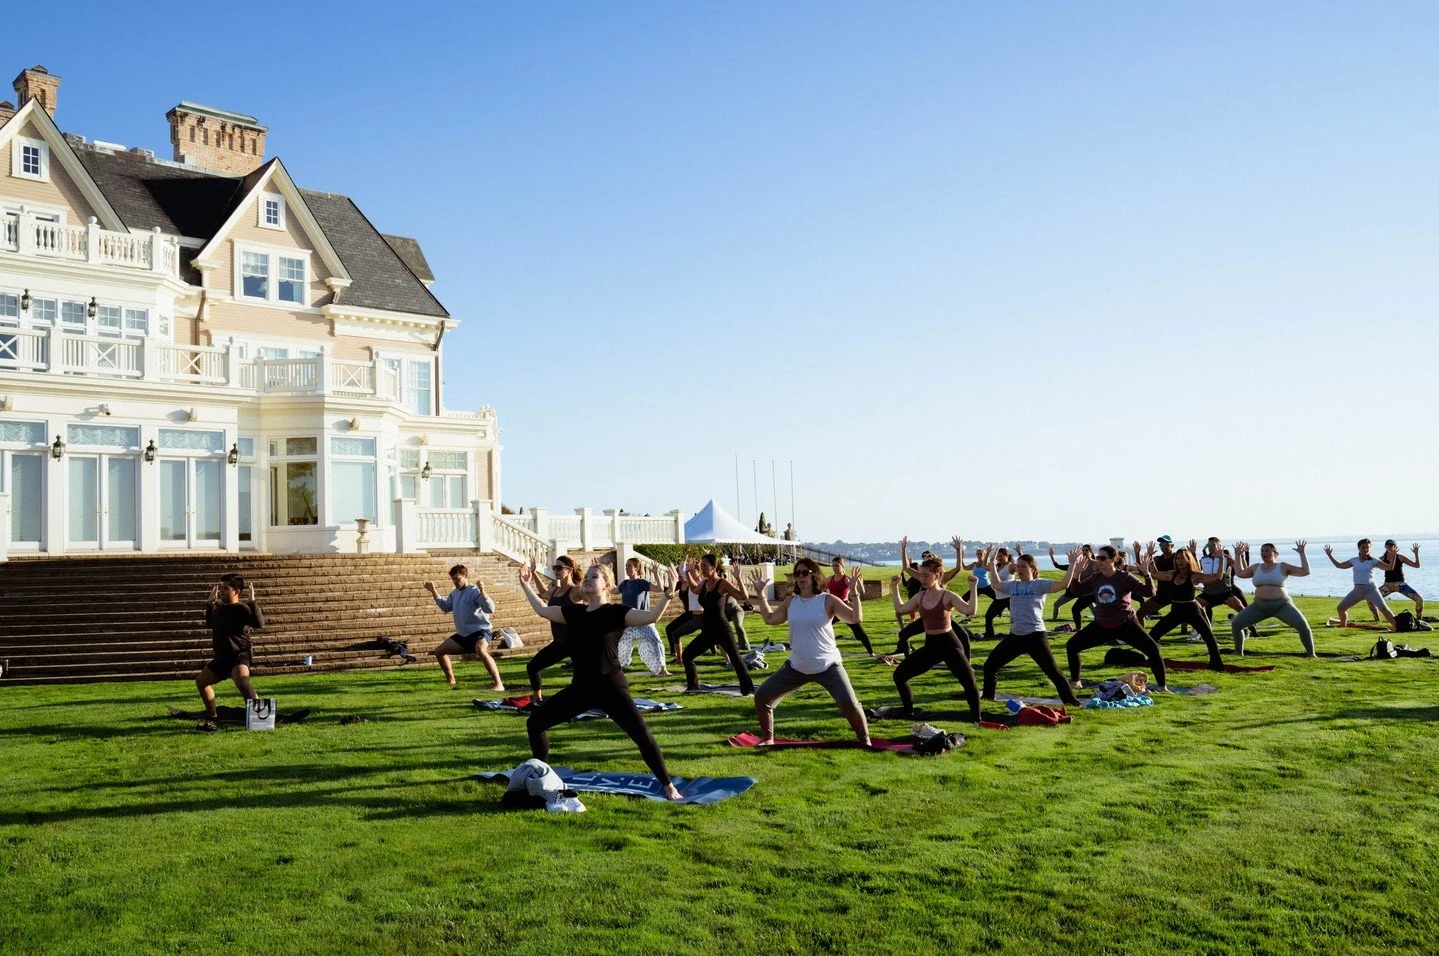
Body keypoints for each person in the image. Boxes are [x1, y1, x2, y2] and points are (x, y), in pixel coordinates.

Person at [517, 562, 683, 801]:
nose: (586, 579)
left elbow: (651, 616)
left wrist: (668, 594)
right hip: (581, 688)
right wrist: (525, 584)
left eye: (593, 577)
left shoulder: (617, 613)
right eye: (586, 576)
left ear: (607, 585)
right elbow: (542, 610)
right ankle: (543, 777)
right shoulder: (574, 612)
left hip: (611, 688)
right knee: (535, 723)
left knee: (642, 735)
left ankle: (669, 787)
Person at [749, 557, 870, 745]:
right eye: (797, 573)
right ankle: (768, 739)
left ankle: (865, 740)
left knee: (849, 703)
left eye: (804, 572)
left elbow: (855, 618)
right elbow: (770, 619)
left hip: (828, 665)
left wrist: (854, 592)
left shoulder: (827, 600)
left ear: (814, 574)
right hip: (797, 666)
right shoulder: (791, 602)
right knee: (763, 696)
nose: (800, 577)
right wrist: (760, 594)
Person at [982, 548, 1083, 705]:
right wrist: (992, 564)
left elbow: (1064, 584)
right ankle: (987, 698)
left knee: (1053, 672)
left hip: (1035, 636)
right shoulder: (1012, 586)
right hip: (1015, 637)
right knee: (990, 666)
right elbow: (995, 584)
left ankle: (1071, 702)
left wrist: (1071, 564)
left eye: (1023, 566)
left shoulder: (1039, 585)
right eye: (1018, 566)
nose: (1019, 569)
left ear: (1032, 568)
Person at [889, 557, 982, 723]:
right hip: (931, 645)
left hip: (949, 644)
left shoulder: (948, 596)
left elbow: (970, 610)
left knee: (969, 682)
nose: (923, 579)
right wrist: (894, 587)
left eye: (926, 575)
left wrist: (973, 588)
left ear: (938, 575)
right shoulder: (920, 597)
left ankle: (977, 718)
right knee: (899, 676)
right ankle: (908, 713)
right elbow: (900, 609)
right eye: (921, 575)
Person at [1064, 544, 1169, 690]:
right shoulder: (1096, 578)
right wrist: (1076, 574)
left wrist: (1147, 574)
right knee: (1072, 645)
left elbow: (1149, 592)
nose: (1099, 561)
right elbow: (1077, 591)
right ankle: (1076, 682)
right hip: (1101, 625)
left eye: (1103, 558)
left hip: (1126, 624)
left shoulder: (1124, 577)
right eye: (1098, 558)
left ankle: (1163, 687)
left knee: (1153, 650)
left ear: (1113, 559)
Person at [680, 553, 756, 696]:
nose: (702, 568)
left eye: (705, 566)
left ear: (714, 567)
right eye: (701, 566)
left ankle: (748, 690)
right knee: (687, 656)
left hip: (722, 629)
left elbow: (743, 596)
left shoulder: (722, 584)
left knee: (736, 660)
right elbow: (694, 589)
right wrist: (688, 573)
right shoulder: (704, 583)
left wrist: (738, 577)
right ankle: (693, 687)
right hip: (708, 630)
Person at [891, 536, 975, 658]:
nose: (926, 560)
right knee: (904, 634)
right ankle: (907, 657)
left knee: (963, 636)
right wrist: (903, 549)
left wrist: (958, 550)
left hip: (943, 619)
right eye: (925, 558)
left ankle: (967, 662)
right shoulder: (923, 576)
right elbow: (907, 568)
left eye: (929, 558)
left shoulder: (944, 577)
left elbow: (958, 568)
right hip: (927, 617)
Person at [424, 564, 504, 690]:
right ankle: (451, 682)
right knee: (439, 652)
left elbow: (490, 609)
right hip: (463, 635)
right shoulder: (454, 594)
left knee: (480, 650)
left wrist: (483, 590)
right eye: (453, 579)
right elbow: (445, 607)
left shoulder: (475, 591)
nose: (456, 582)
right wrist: (433, 591)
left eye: (458, 579)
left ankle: (498, 684)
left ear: (466, 576)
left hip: (481, 631)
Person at [1146, 547, 1225, 671]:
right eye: (1177, 558)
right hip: (1176, 610)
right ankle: (1152, 660)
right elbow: (1155, 574)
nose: (1179, 561)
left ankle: (1217, 664)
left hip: (1191, 610)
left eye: (1182, 558)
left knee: (1209, 638)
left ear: (1188, 560)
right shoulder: (1172, 574)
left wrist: (1221, 560)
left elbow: (1217, 577)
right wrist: (1150, 557)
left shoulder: (1194, 576)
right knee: (1153, 634)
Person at [1230, 542, 1316, 655]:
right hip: (1259, 606)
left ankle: (1311, 654)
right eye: (1262, 551)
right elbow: (1240, 573)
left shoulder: (1283, 566)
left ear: (1275, 554)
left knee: (1303, 626)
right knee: (1236, 624)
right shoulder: (1256, 567)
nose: (1264, 553)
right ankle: (1238, 652)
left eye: (1267, 551)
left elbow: (1305, 571)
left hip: (1282, 605)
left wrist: (1302, 553)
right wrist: (1237, 555)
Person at [197, 574, 264, 718]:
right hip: (222, 658)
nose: (221, 591)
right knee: (201, 682)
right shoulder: (219, 609)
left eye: (225, 588)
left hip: (239, 655)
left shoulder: (243, 608)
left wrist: (253, 602)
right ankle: (212, 716)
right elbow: (210, 623)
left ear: (237, 591)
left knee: (242, 682)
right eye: (220, 588)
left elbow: (259, 624)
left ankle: (259, 717)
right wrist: (210, 604)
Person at [525, 555, 581, 702]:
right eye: (554, 568)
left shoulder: (575, 591)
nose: (556, 570)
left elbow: (594, 596)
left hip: (577, 642)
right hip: (560, 642)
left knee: (584, 678)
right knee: (532, 667)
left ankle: (598, 702)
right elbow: (543, 593)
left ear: (569, 570)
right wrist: (534, 572)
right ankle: (537, 701)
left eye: (559, 568)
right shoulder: (555, 591)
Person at [1325, 539, 1397, 629]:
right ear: (1359, 548)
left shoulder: (1374, 561)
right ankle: (1343, 627)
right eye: (1363, 547)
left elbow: (1389, 568)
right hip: (1357, 590)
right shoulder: (1354, 560)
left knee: (1383, 608)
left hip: (1371, 589)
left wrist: (1393, 556)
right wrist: (1329, 555)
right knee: (1341, 608)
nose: (1366, 549)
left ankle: (1398, 626)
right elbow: (1339, 565)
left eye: (1368, 547)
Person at [617, 557, 671, 677]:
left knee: (655, 643)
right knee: (620, 649)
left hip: (643, 621)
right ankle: (620, 666)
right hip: (628, 622)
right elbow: (612, 590)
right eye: (626, 566)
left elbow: (660, 589)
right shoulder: (624, 584)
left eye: (629, 566)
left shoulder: (642, 583)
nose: (627, 568)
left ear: (636, 568)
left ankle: (662, 669)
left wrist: (656, 574)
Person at [824, 557, 875, 654]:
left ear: (842, 566)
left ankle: (871, 652)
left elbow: (862, 591)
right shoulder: (830, 578)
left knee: (859, 632)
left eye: (837, 565)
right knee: (821, 626)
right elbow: (823, 590)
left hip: (844, 606)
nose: (834, 568)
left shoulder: (847, 579)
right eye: (833, 566)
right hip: (833, 608)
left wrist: (858, 581)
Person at [1379, 540, 1424, 618]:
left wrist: (1416, 553)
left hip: (1401, 585)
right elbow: (1371, 568)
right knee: (1370, 600)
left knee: (1420, 600)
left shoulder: (1400, 557)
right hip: (1388, 585)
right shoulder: (1382, 558)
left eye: (1392, 545)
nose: (1390, 547)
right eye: (1388, 545)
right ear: (1385, 547)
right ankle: (1376, 620)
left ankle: (1419, 619)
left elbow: (1416, 565)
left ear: (1395, 547)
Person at [1048, 544, 1093, 622]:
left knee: (1092, 607)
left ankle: (1099, 620)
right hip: (1070, 592)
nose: (1084, 552)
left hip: (1082, 592)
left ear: (1091, 552)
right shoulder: (1071, 567)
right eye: (1083, 550)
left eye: (1086, 550)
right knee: (1056, 605)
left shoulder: (1092, 565)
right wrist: (1051, 556)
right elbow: (1057, 566)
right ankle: (1054, 620)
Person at [982, 547, 1018, 639]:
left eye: (1001, 556)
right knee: (988, 616)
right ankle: (989, 635)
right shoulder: (996, 566)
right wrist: (988, 553)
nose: (999, 558)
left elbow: (1022, 568)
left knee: (1017, 617)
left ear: (1007, 556)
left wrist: (1020, 553)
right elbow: (984, 566)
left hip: (1010, 597)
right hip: (999, 598)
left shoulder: (1010, 566)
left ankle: (1022, 634)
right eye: (997, 556)